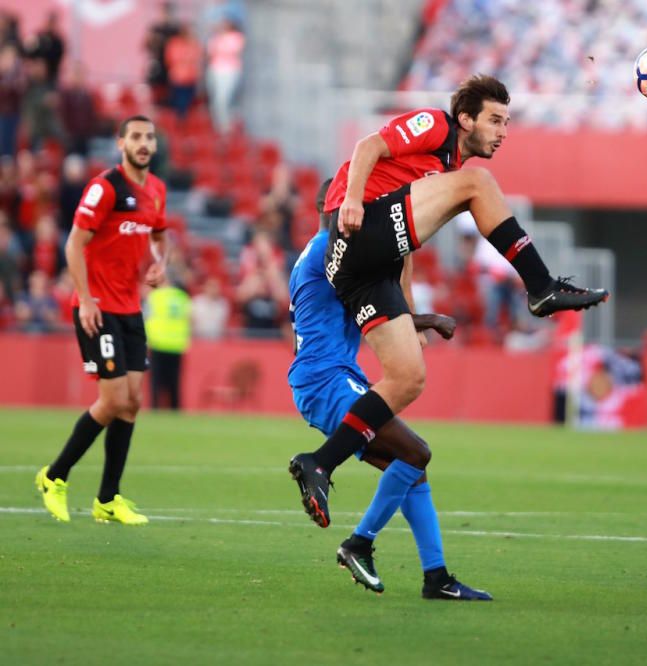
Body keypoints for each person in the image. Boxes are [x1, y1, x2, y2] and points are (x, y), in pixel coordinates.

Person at [288, 75, 607, 530]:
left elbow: (404, 253)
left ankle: (319, 463)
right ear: (464, 119)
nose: (503, 131)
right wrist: (354, 201)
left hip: (365, 270)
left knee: (407, 378)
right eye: (494, 120)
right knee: (477, 184)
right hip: (355, 231)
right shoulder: (436, 126)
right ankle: (541, 287)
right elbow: (366, 146)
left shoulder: (438, 172)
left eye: (507, 122)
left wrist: (413, 316)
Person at [288, 180, 491, 600]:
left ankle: (436, 577)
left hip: (331, 376)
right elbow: (382, 308)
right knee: (415, 453)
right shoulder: (333, 254)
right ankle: (358, 542)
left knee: (412, 468)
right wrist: (428, 319)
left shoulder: (321, 251)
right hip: (327, 379)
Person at [35, 115, 168, 526]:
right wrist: (87, 300)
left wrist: (159, 263)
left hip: (129, 308)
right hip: (98, 308)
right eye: (136, 136)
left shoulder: (157, 191)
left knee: (131, 404)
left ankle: (107, 500)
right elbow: (74, 242)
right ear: (121, 143)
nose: (143, 143)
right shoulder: (105, 187)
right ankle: (54, 477)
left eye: (149, 137)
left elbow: (160, 235)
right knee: (112, 401)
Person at [145, 276, 191, 410]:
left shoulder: (155, 296)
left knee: (156, 380)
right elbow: (190, 318)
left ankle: (155, 407)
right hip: (177, 343)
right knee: (174, 381)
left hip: (158, 342)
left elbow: (146, 316)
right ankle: (175, 408)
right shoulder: (183, 296)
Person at [205, 19, 244, 134]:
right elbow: (210, 51)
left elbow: (231, 51)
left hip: (229, 71)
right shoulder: (216, 37)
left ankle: (226, 126)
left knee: (224, 100)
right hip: (215, 69)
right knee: (215, 99)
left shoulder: (236, 37)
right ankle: (218, 125)